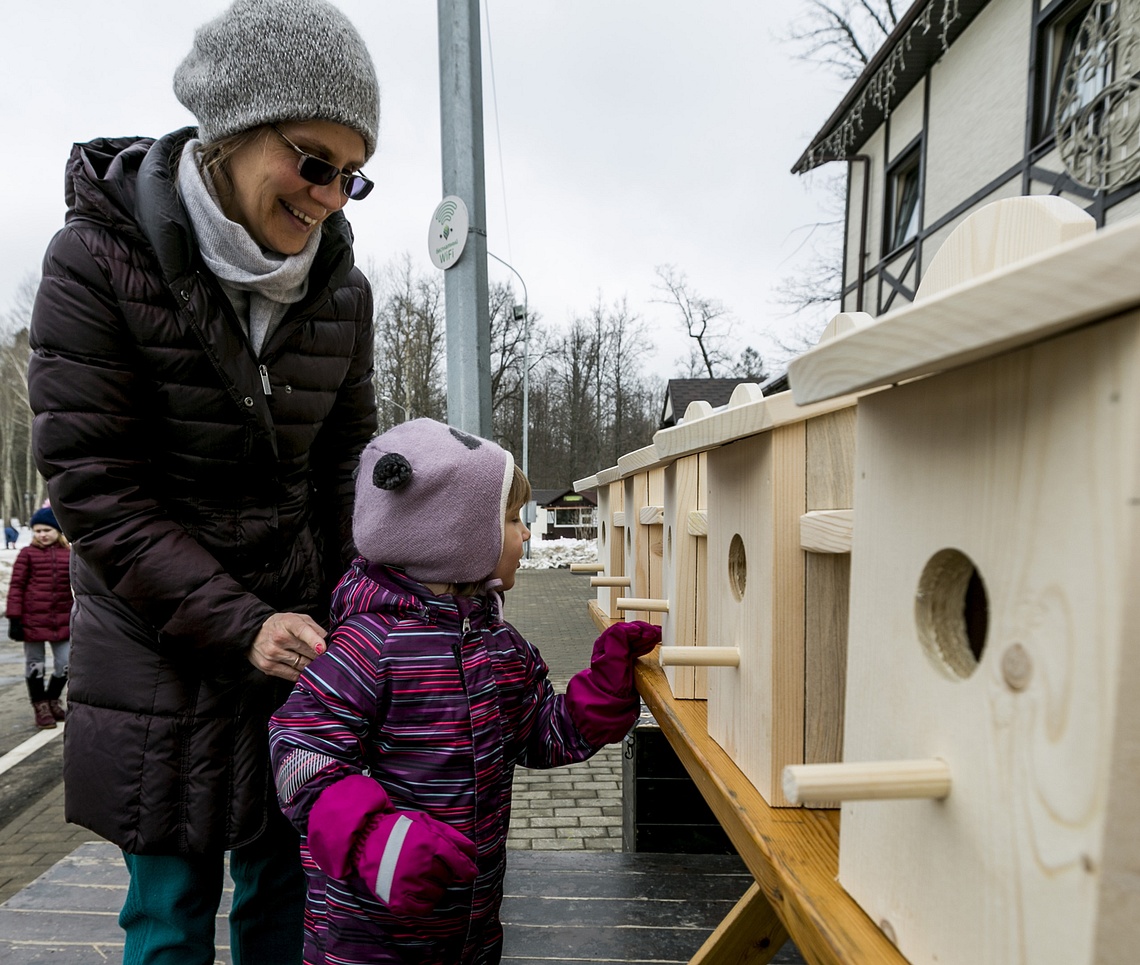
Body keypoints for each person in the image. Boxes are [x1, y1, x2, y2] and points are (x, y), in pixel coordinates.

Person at [25, 0, 380, 961]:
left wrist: (382, 602)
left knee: (286, 897)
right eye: (313, 162)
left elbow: (349, 467)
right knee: (170, 915)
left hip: (299, 641)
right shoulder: (94, 260)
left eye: (353, 176)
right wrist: (240, 623)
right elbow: (99, 492)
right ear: (231, 125)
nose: (329, 199)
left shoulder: (343, 288)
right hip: (159, 645)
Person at [269, 419, 661, 965]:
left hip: (469, 920)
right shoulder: (370, 645)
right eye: (510, 519)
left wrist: (603, 689)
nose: (525, 535)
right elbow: (301, 753)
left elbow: (537, 736)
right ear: (452, 534)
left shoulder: (497, 641)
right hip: (371, 928)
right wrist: (374, 840)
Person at [6, 506, 72, 729]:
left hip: (62, 619)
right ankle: (40, 707)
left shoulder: (70, 554)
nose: (42, 535)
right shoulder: (27, 554)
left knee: (65, 664)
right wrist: (14, 619)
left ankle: (52, 699)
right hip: (31, 620)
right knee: (35, 665)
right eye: (37, 531)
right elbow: (16, 587)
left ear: (58, 531)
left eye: (47, 530)